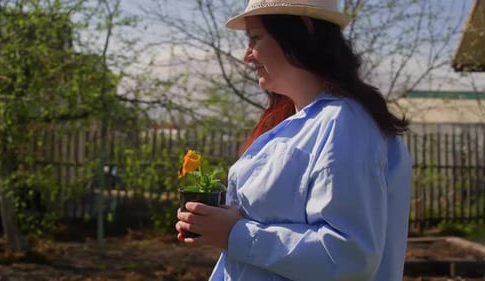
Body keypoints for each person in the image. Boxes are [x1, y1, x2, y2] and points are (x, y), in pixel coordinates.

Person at [175, 0, 412, 280]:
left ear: (303, 28)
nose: (247, 55)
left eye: (255, 38)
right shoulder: (302, 121)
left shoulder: (345, 123)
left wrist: (235, 234)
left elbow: (348, 256)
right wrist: (218, 222)